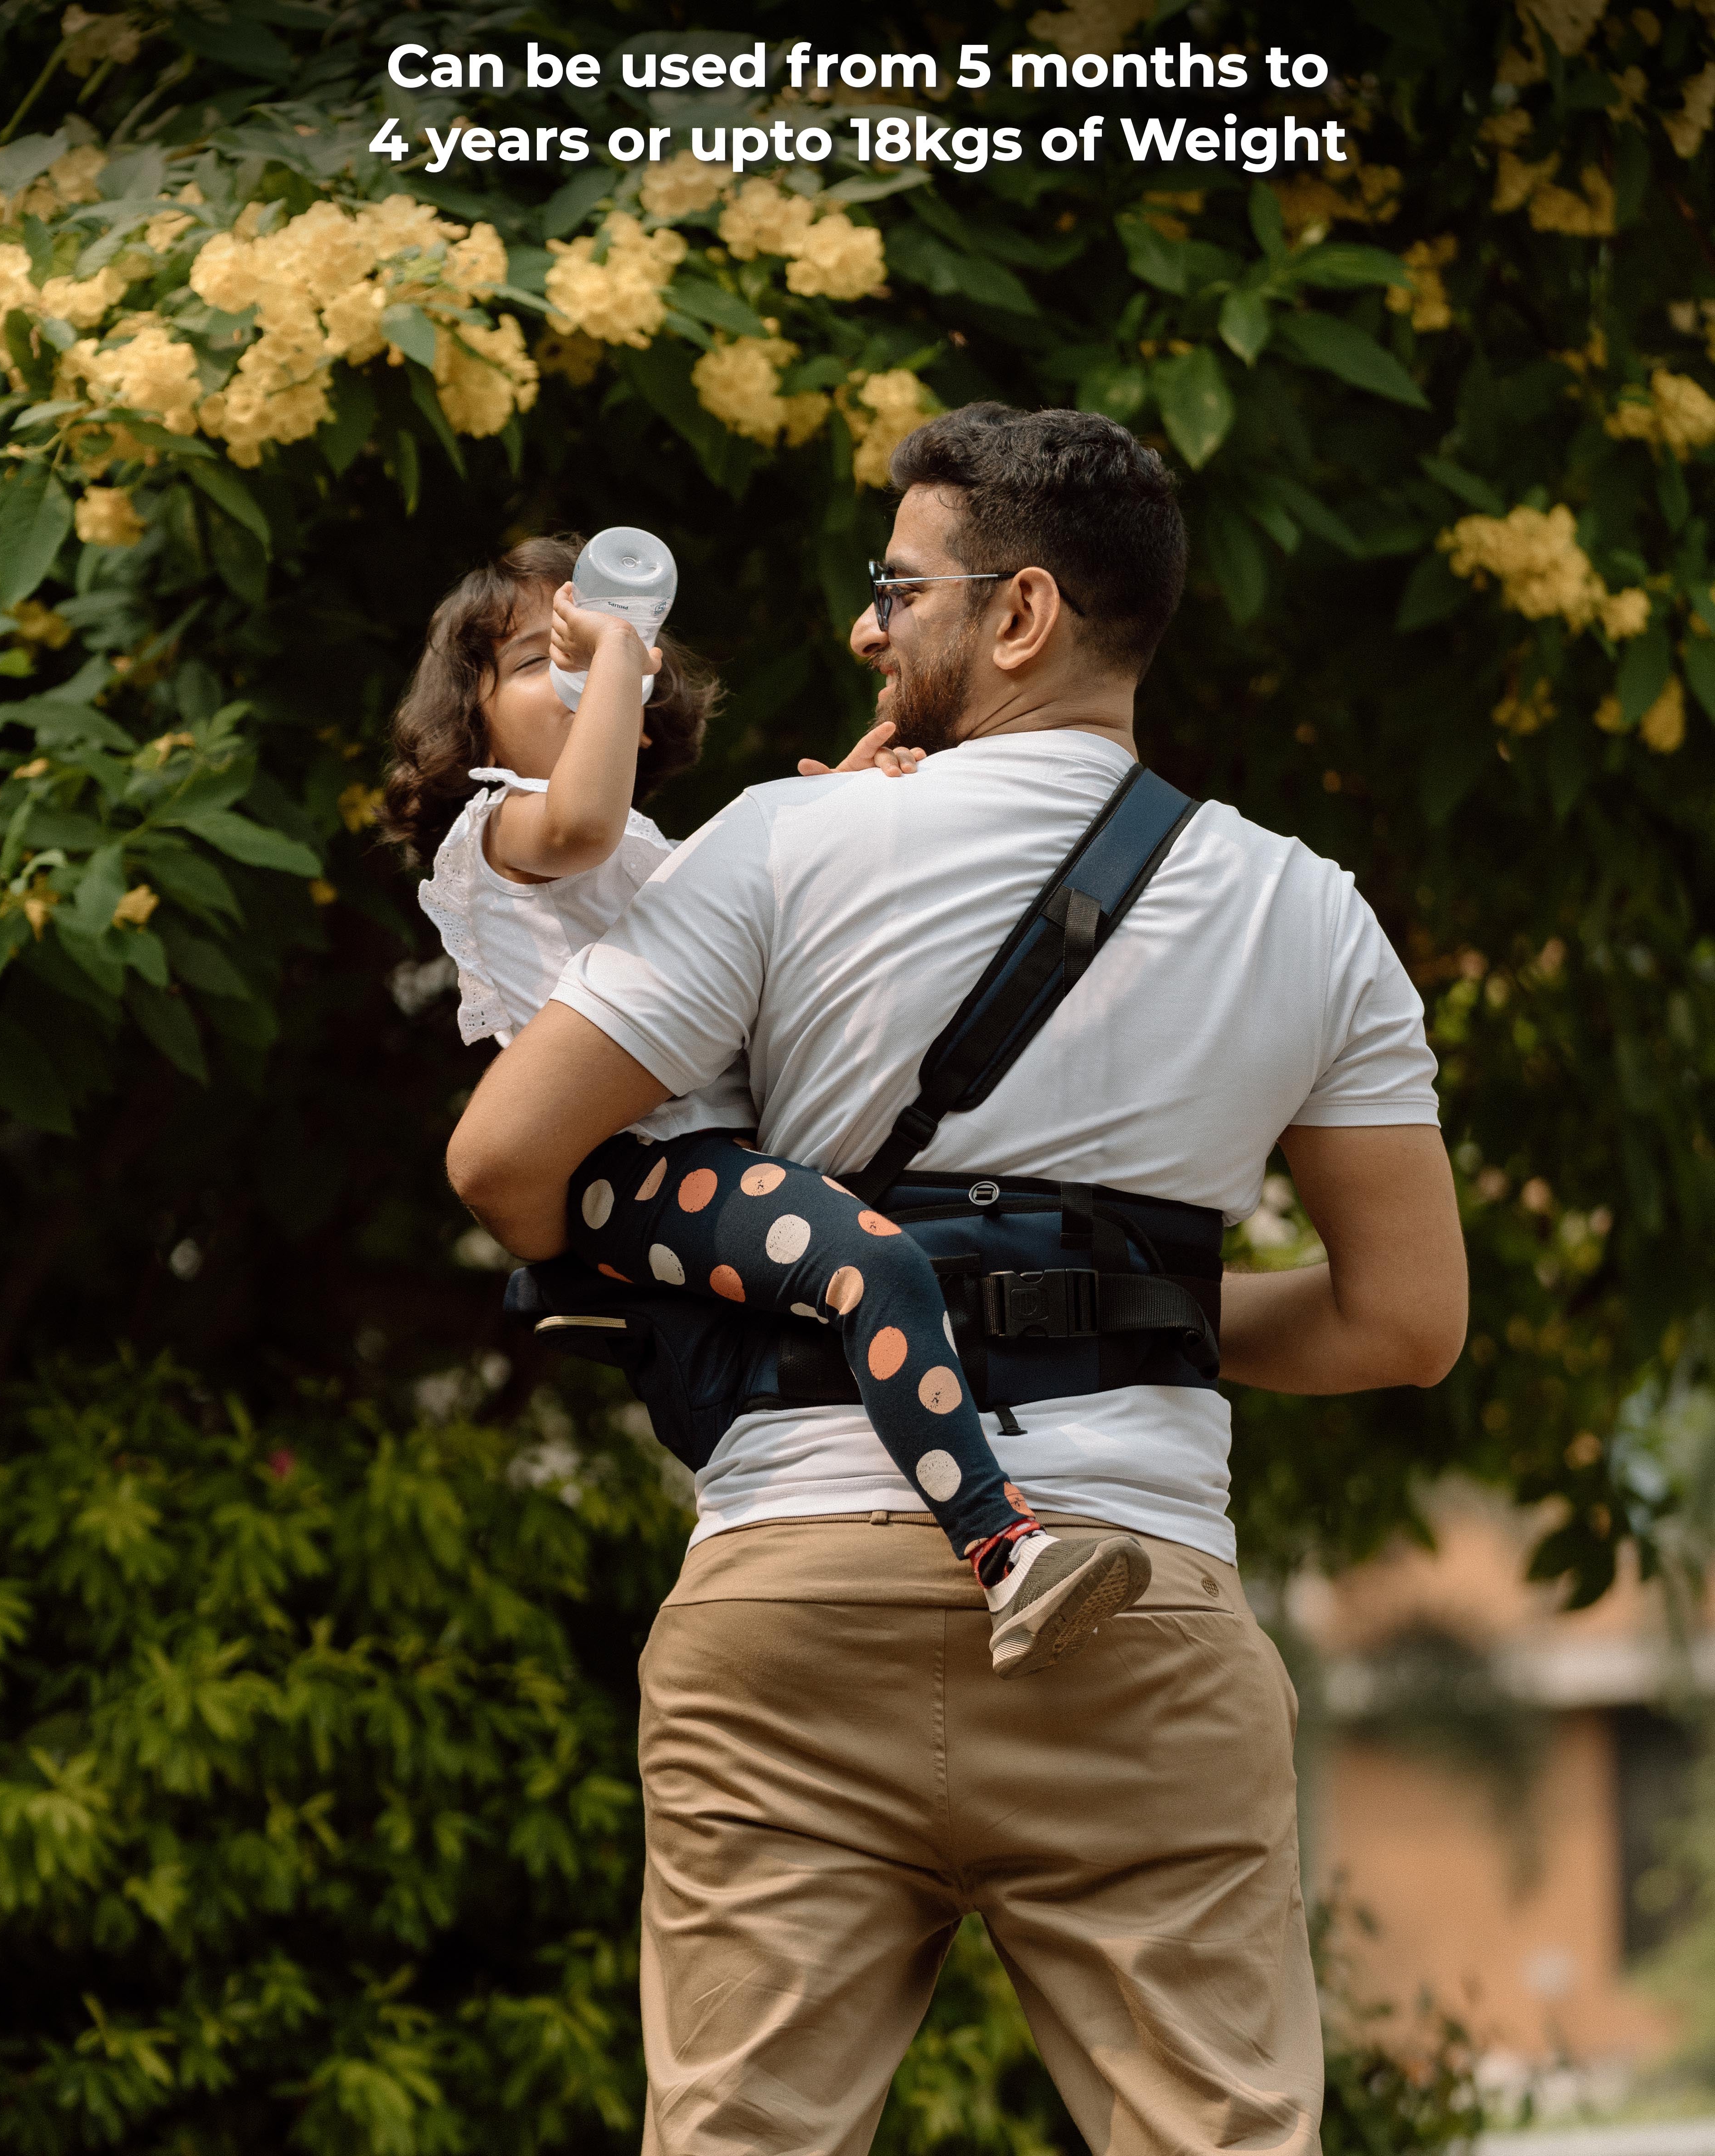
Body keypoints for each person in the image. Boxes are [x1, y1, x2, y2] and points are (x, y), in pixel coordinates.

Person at [445, 408, 1469, 2156]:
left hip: (791, 1605)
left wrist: (688, 1284)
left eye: (893, 589)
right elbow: (1400, 1322)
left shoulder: (781, 843)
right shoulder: (1313, 915)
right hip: (1130, 1611)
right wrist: (1101, 1315)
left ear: (1019, 616)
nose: (865, 630)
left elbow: (501, 1160)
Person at [383, 535, 1149, 1677]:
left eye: (601, 657)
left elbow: (733, 932)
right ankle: (1004, 1551)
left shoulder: (648, 850)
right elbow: (582, 824)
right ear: (473, 717)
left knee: (859, 1289)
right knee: (877, 1267)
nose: (587, 671)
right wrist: (623, 652)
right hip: (626, 1165)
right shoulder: (495, 830)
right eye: (545, 658)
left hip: (697, 1152)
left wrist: (828, 820)